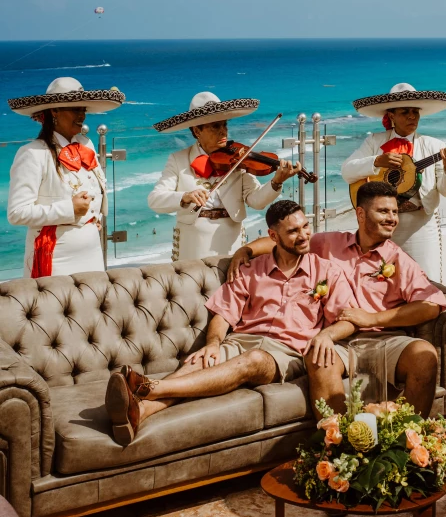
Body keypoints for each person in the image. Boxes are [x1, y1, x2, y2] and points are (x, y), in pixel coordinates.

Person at [104, 199, 357, 446]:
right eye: (293, 231)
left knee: (254, 360)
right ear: (273, 236)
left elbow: (348, 319)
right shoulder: (250, 269)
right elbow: (224, 312)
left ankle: (150, 386)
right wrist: (213, 344)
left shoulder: (327, 271)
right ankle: (142, 409)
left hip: (286, 352)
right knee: (199, 360)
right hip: (241, 341)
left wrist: (326, 335)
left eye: (305, 227)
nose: (303, 235)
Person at [229, 181, 446, 417]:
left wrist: (372, 317)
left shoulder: (397, 258)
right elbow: (285, 240)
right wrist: (246, 251)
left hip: (385, 340)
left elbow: (431, 305)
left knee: (424, 356)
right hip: (338, 342)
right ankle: (340, 444)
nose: (392, 218)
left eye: (394, 212)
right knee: (318, 358)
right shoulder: (329, 244)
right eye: (383, 211)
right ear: (361, 214)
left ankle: (408, 440)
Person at [148, 92, 300, 262]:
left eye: (225, 125)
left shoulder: (239, 158)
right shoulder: (178, 159)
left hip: (231, 242)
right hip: (193, 245)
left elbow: (256, 200)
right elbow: (155, 200)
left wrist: (276, 181)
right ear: (197, 131)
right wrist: (185, 196)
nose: (223, 131)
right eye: (215, 126)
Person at [341, 83, 446, 281]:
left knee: (425, 283)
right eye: (405, 112)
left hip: (419, 225)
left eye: (415, 112)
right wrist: (377, 161)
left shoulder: (434, 146)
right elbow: (347, 171)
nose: (412, 117)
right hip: (379, 226)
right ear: (391, 116)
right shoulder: (374, 142)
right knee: (381, 284)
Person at [7, 77, 124, 277]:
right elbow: (17, 213)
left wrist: (95, 216)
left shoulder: (86, 145)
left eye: (83, 110)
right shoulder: (33, 153)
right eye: (75, 109)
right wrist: (69, 209)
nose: (82, 116)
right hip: (55, 257)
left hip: (92, 251)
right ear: (54, 111)